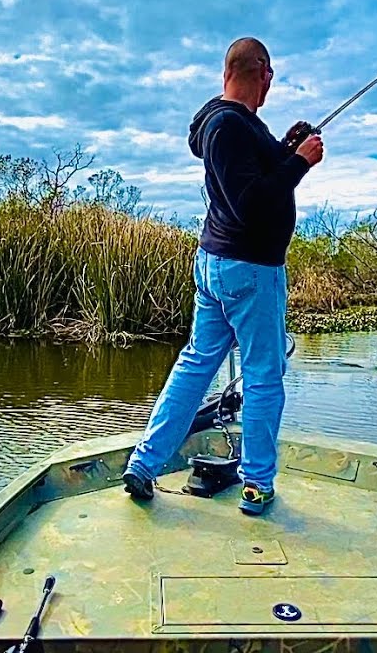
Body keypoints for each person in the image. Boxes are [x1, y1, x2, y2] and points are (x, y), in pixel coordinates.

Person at [120, 36, 325, 515]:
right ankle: (257, 484)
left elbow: (252, 174)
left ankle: (144, 463)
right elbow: (251, 203)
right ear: (264, 73)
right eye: (271, 78)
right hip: (250, 271)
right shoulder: (230, 127)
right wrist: (301, 162)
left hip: (217, 266)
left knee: (196, 363)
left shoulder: (231, 125)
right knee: (262, 376)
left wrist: (285, 148)